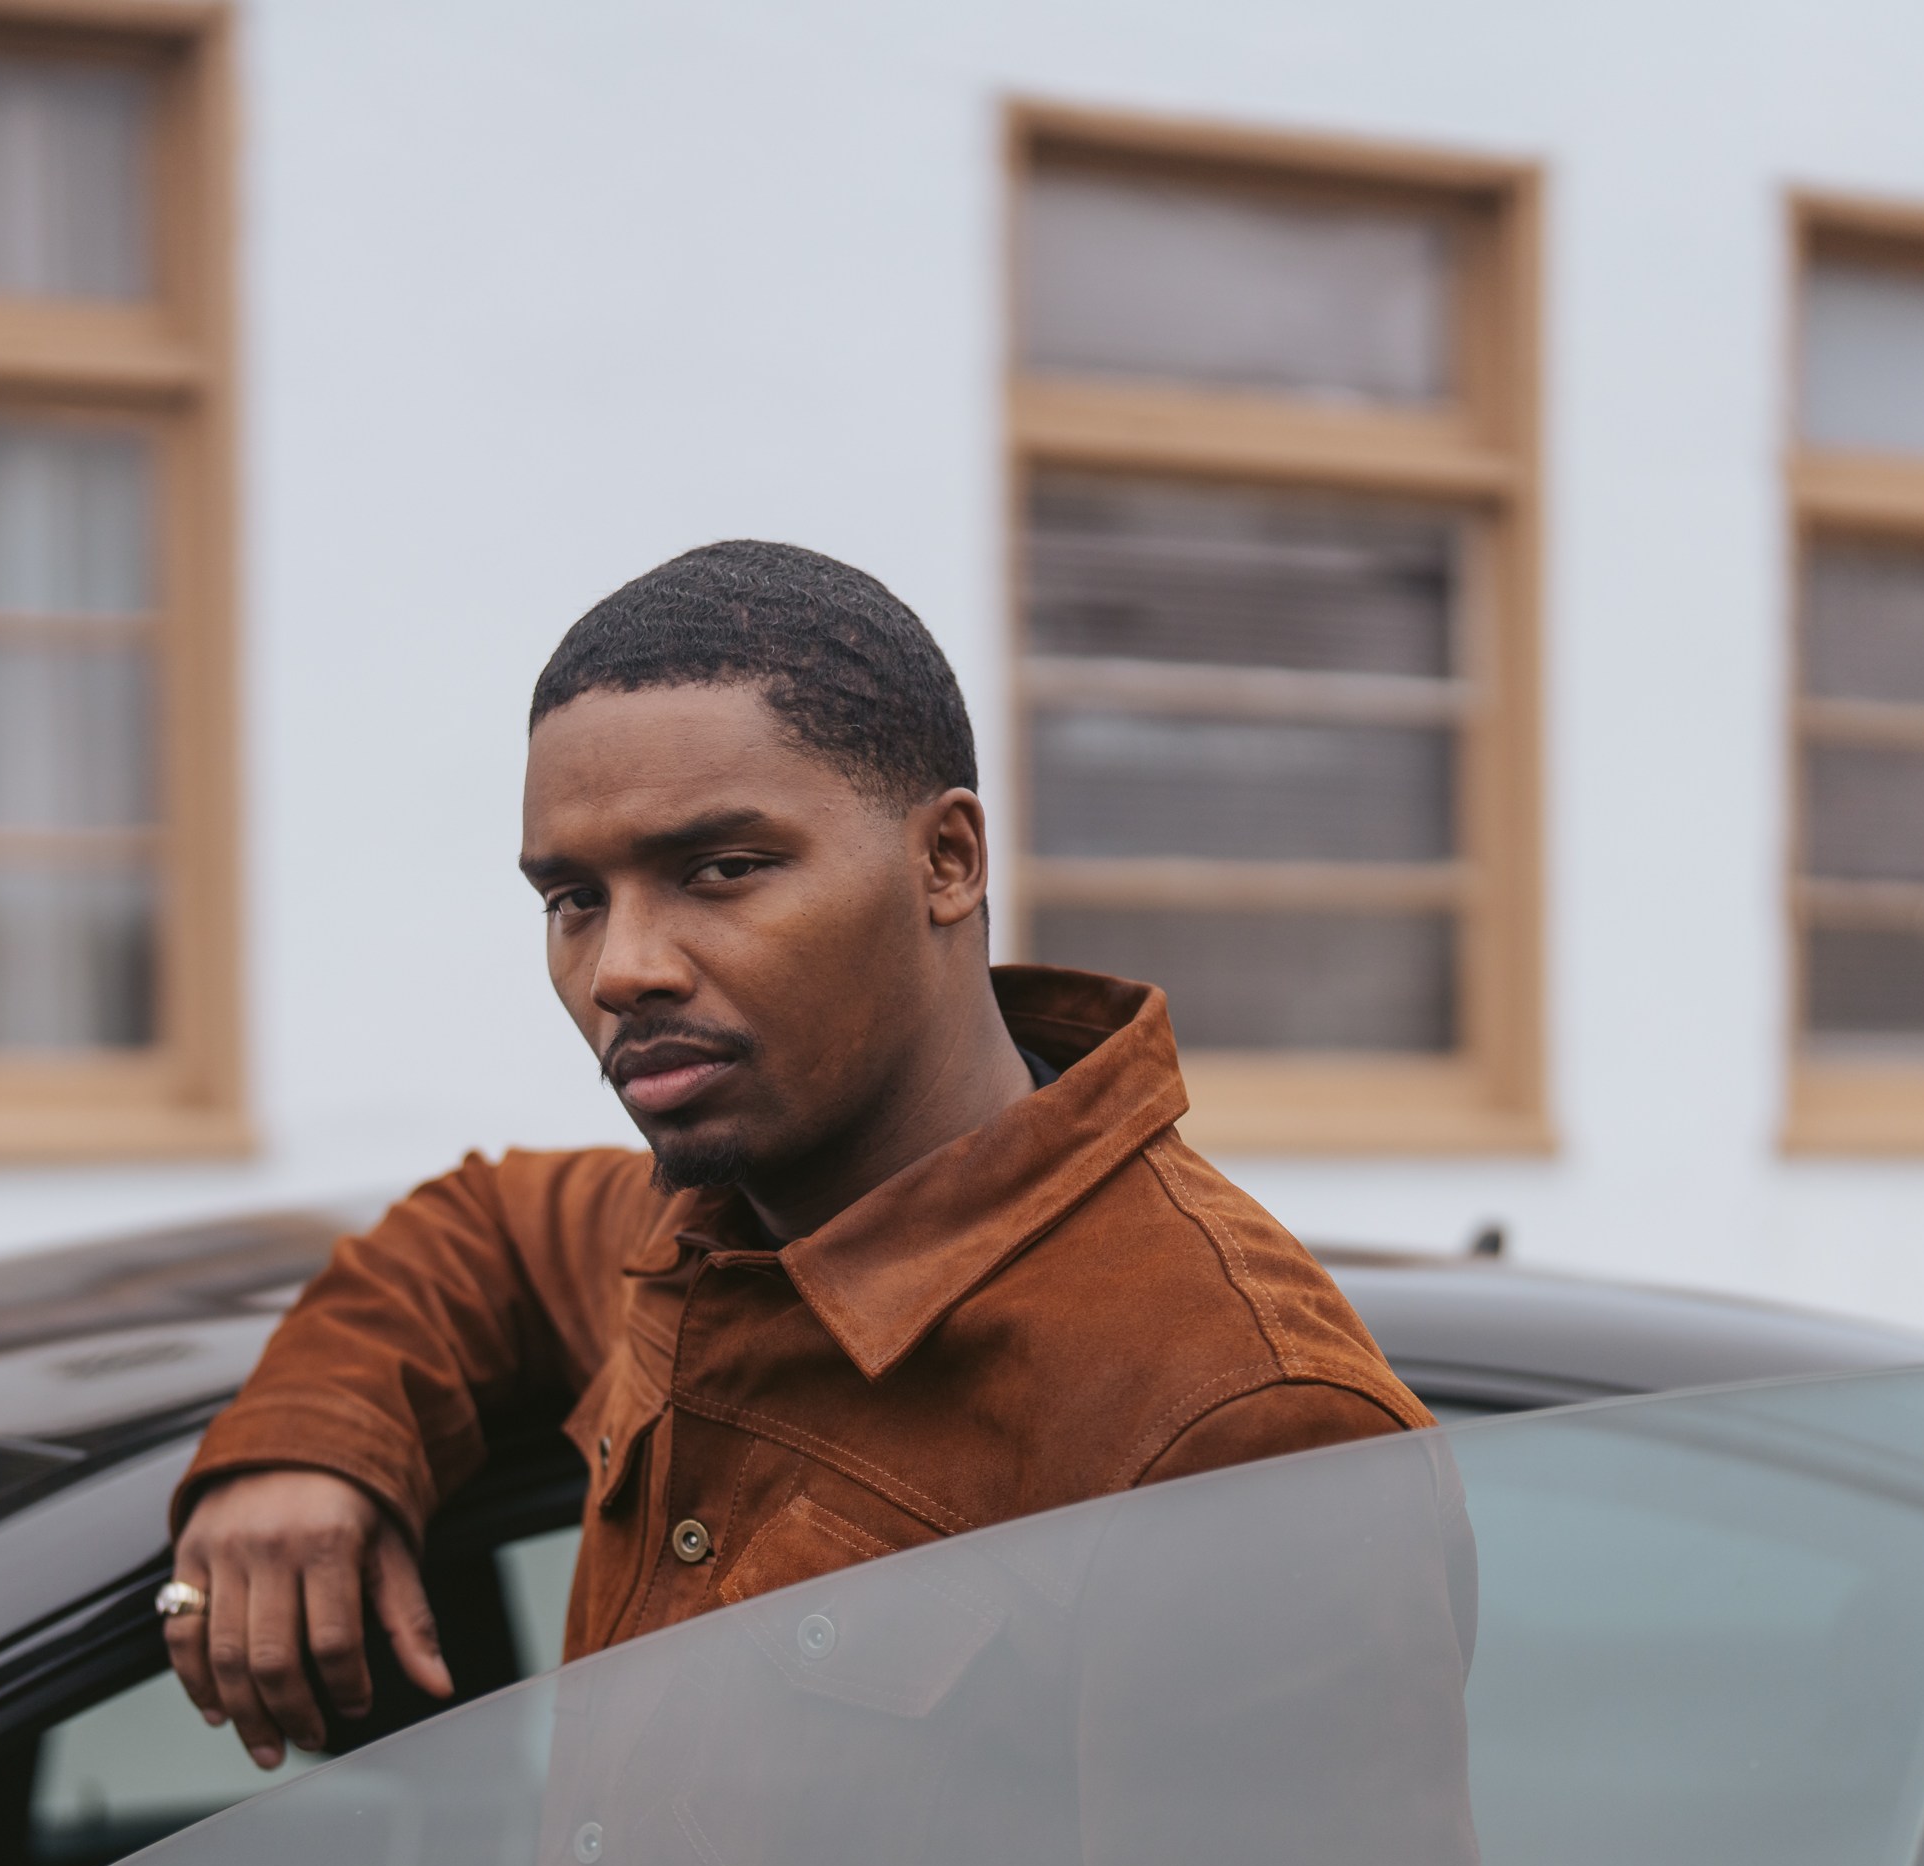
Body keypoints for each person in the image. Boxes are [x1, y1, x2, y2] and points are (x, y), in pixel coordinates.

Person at [160, 539, 1433, 1763]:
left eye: (721, 868)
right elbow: (482, 1231)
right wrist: (303, 1450)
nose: (621, 971)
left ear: (947, 861)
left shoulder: (1239, 1423)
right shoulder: (706, 1229)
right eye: (573, 900)